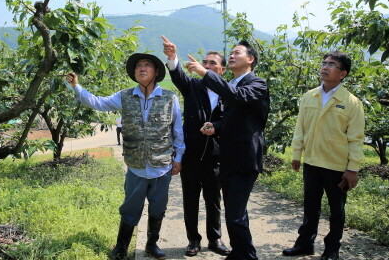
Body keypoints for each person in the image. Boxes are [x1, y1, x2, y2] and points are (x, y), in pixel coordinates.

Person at [66, 53, 185, 260]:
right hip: (136, 165)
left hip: (162, 165)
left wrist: (179, 158)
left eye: (147, 65)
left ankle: (151, 245)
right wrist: (77, 86)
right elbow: (98, 102)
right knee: (130, 207)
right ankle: (121, 247)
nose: (142, 68)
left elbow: (177, 131)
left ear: (156, 72)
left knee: (158, 207)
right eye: (139, 65)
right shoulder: (124, 96)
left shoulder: (169, 98)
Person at [186, 40, 270, 260]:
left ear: (250, 59)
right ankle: (241, 252)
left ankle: (246, 255)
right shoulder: (233, 85)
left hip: (244, 158)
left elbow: (238, 97)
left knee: (234, 214)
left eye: (237, 53)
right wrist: (217, 126)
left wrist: (206, 73)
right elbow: (233, 118)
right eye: (230, 53)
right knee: (236, 213)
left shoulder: (256, 84)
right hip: (229, 158)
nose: (231, 56)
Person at [282, 51, 364, 260]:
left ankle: (332, 249)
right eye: (324, 63)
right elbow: (300, 128)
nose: (325, 67)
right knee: (310, 207)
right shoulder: (310, 96)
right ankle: (305, 244)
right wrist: (296, 154)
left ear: (343, 73)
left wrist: (352, 168)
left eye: (332, 65)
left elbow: (356, 138)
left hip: (337, 166)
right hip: (311, 161)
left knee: (336, 211)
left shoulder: (351, 102)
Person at [161, 35, 231, 257]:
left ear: (222, 71)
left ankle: (215, 239)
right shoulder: (193, 86)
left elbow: (230, 120)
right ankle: (193, 240)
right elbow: (179, 76)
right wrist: (173, 57)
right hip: (191, 156)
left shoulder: (228, 93)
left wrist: (217, 126)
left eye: (213, 63)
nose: (207, 65)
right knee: (190, 201)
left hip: (214, 157)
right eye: (206, 62)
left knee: (213, 201)